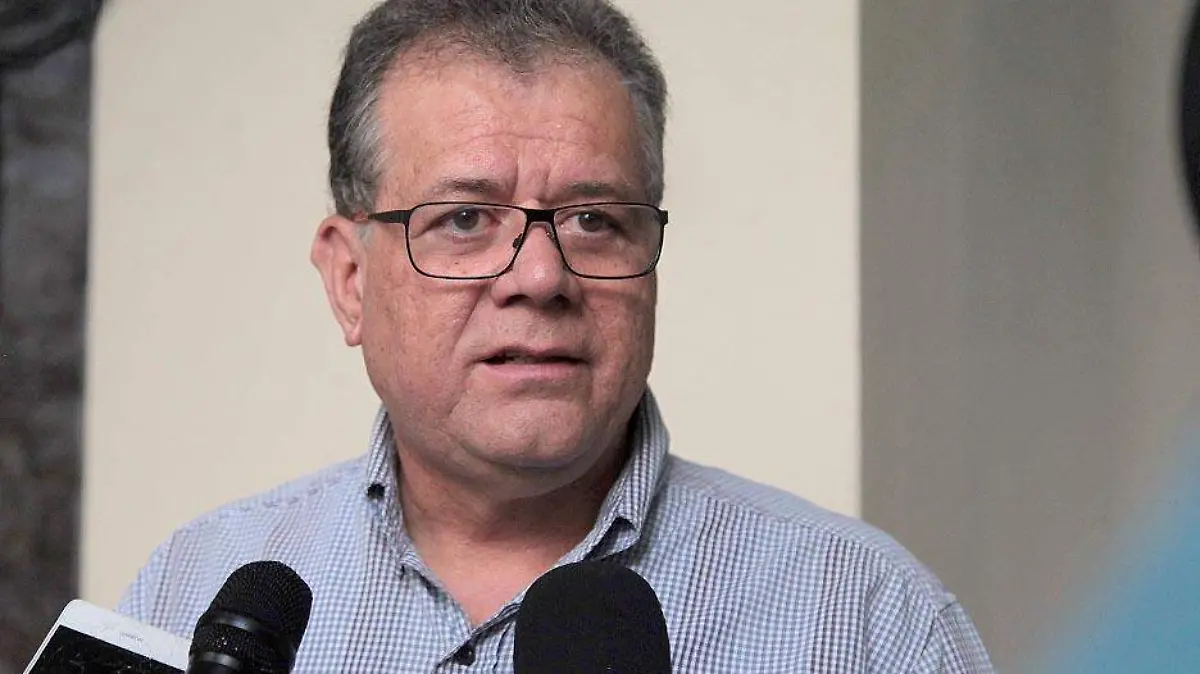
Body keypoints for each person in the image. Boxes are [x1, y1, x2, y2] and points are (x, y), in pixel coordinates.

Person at [117, 0, 993, 671]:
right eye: (465, 219)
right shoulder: (190, 592)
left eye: (594, 220)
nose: (541, 277)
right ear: (350, 280)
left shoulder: (870, 621)